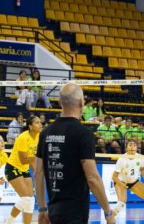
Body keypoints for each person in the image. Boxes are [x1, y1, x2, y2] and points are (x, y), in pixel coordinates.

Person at [34, 83, 115, 224]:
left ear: (60, 102)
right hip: (75, 213)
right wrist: (108, 212)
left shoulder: (45, 132)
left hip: (53, 211)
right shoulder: (84, 134)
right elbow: (92, 178)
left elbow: (38, 173)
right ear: (81, 102)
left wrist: (42, 209)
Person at [4, 115, 41, 224]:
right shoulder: (23, 138)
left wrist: (36, 172)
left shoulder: (38, 136)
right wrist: (37, 158)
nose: (40, 125)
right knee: (26, 198)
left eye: (40, 122)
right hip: (12, 168)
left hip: (24, 169)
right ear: (30, 126)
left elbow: (31, 160)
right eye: (37, 122)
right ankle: (8, 222)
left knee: (31, 200)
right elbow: (24, 159)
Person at [112, 140, 144, 217]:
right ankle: (109, 220)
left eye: (134, 145)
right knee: (121, 203)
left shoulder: (140, 157)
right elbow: (114, 177)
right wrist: (122, 185)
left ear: (137, 148)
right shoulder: (122, 158)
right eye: (130, 145)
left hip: (133, 182)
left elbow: (142, 169)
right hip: (120, 181)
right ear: (126, 148)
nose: (132, 147)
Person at [0, 136, 8, 203]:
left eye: (3, 141)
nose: (3, 143)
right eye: (0, 141)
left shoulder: (5, 155)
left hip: (1, 182)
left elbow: (3, 170)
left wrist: (5, 179)